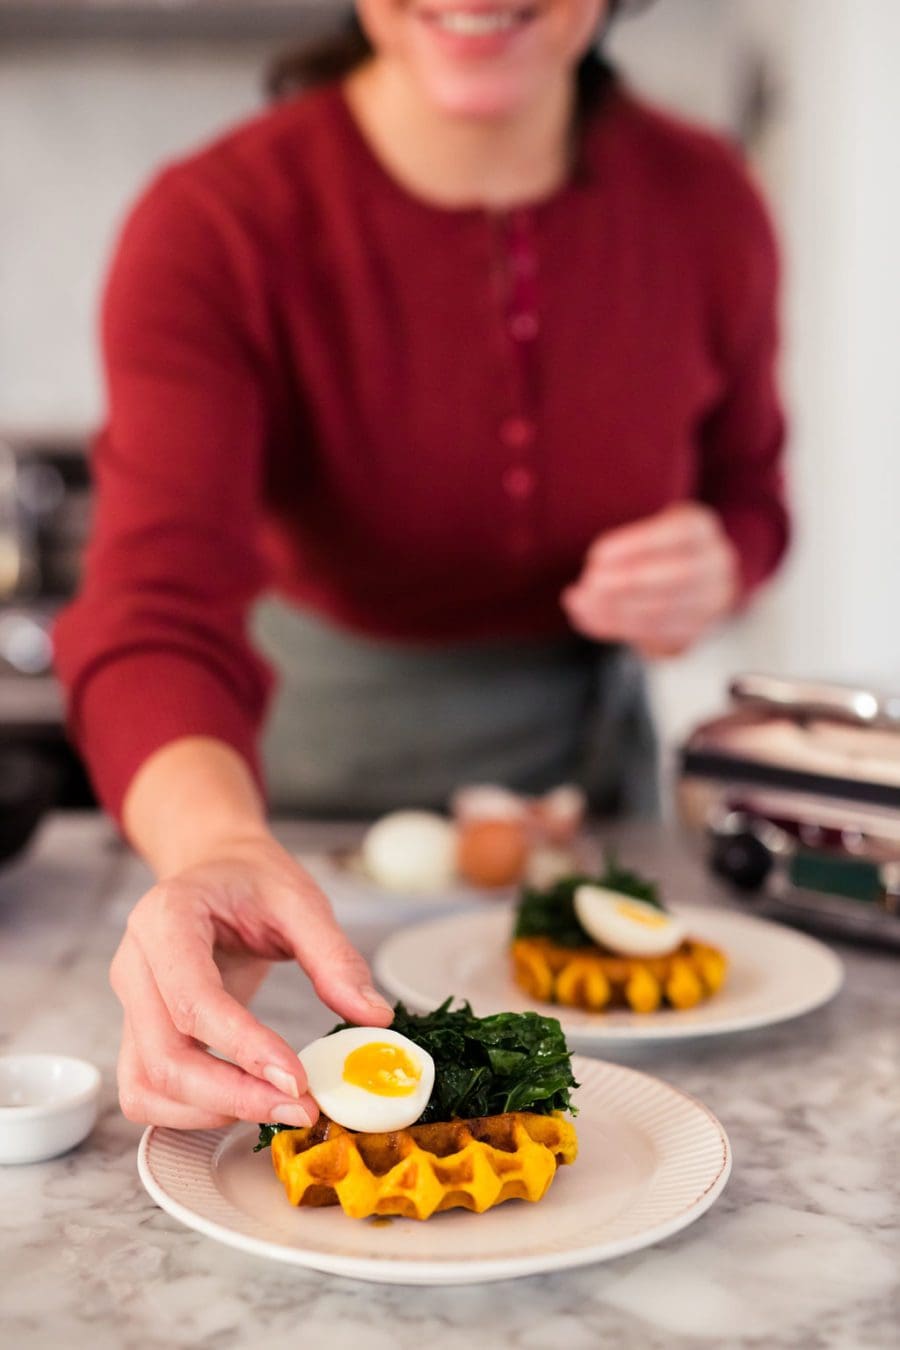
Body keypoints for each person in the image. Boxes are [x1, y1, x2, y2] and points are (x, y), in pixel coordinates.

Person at [54, 1, 789, 1130]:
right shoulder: (215, 223)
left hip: (587, 813)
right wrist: (219, 850)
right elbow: (150, 603)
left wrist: (719, 562)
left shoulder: (707, 201)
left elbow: (752, 494)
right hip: (282, 825)